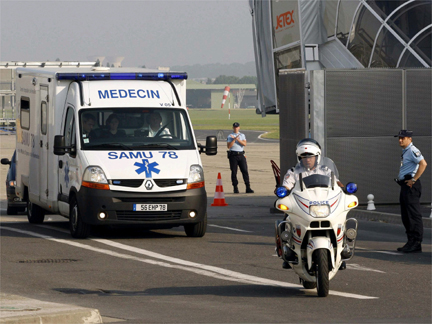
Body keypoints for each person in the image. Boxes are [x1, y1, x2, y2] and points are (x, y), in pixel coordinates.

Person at [394, 130, 427, 253]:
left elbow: (423, 164)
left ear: (410, 139)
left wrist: (413, 179)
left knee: (413, 215)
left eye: (403, 138)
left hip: (411, 186)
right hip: (405, 185)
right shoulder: (406, 151)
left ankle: (416, 243)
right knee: (406, 215)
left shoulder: (413, 150)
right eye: (399, 138)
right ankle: (410, 241)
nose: (400, 140)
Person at [227, 122, 254, 193]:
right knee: (234, 172)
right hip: (233, 155)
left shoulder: (242, 135)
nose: (236, 128)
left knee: (245, 171)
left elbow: (244, 144)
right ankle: (235, 187)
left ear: (239, 127)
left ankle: (248, 187)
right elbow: (229, 146)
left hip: (241, 155)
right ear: (233, 128)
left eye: (237, 127)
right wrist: (234, 140)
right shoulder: (230, 136)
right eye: (235, 127)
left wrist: (237, 139)